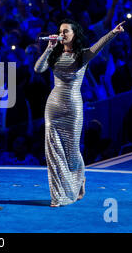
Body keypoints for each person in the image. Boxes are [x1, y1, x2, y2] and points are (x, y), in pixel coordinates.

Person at [34, 19, 125, 207]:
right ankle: (58, 196)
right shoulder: (54, 54)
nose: (62, 34)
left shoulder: (82, 55)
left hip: (73, 107)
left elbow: (98, 47)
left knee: (72, 152)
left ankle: (79, 179)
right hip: (53, 106)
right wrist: (49, 47)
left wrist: (113, 32)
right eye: (60, 30)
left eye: (66, 31)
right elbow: (38, 69)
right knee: (53, 151)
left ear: (74, 34)